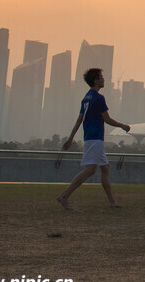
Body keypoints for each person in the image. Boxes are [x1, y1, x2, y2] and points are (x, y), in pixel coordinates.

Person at [56, 68, 131, 210]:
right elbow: (107, 119)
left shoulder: (86, 98)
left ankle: (112, 202)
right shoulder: (99, 98)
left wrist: (70, 139)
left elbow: (79, 120)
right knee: (90, 170)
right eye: (101, 77)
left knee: (105, 168)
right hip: (95, 138)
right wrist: (122, 125)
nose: (103, 79)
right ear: (96, 81)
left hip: (90, 138)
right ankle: (64, 196)